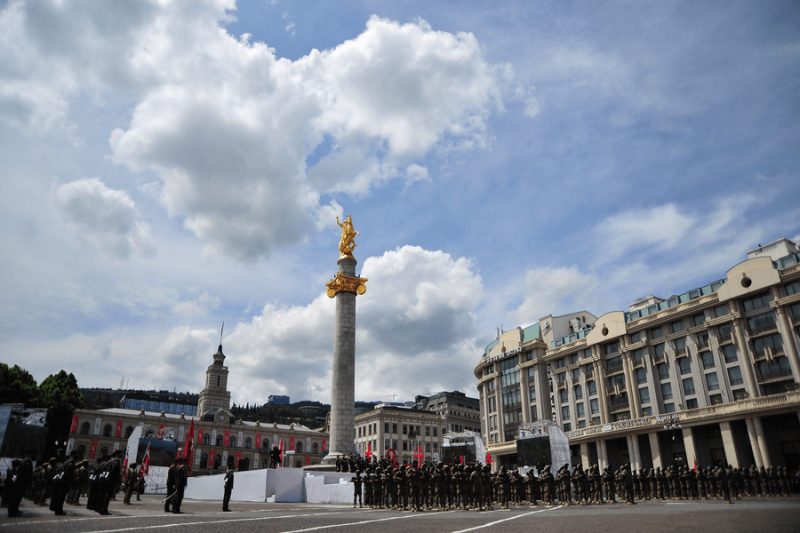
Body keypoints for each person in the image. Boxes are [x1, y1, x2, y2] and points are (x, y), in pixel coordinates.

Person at [9, 450, 36, 518]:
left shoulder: (26, 461)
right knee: (17, 497)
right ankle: (12, 511)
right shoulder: (27, 461)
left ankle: (15, 509)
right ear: (30, 454)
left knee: (18, 496)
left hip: (21, 482)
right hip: (22, 482)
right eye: (34, 454)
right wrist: (26, 482)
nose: (35, 456)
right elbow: (25, 473)